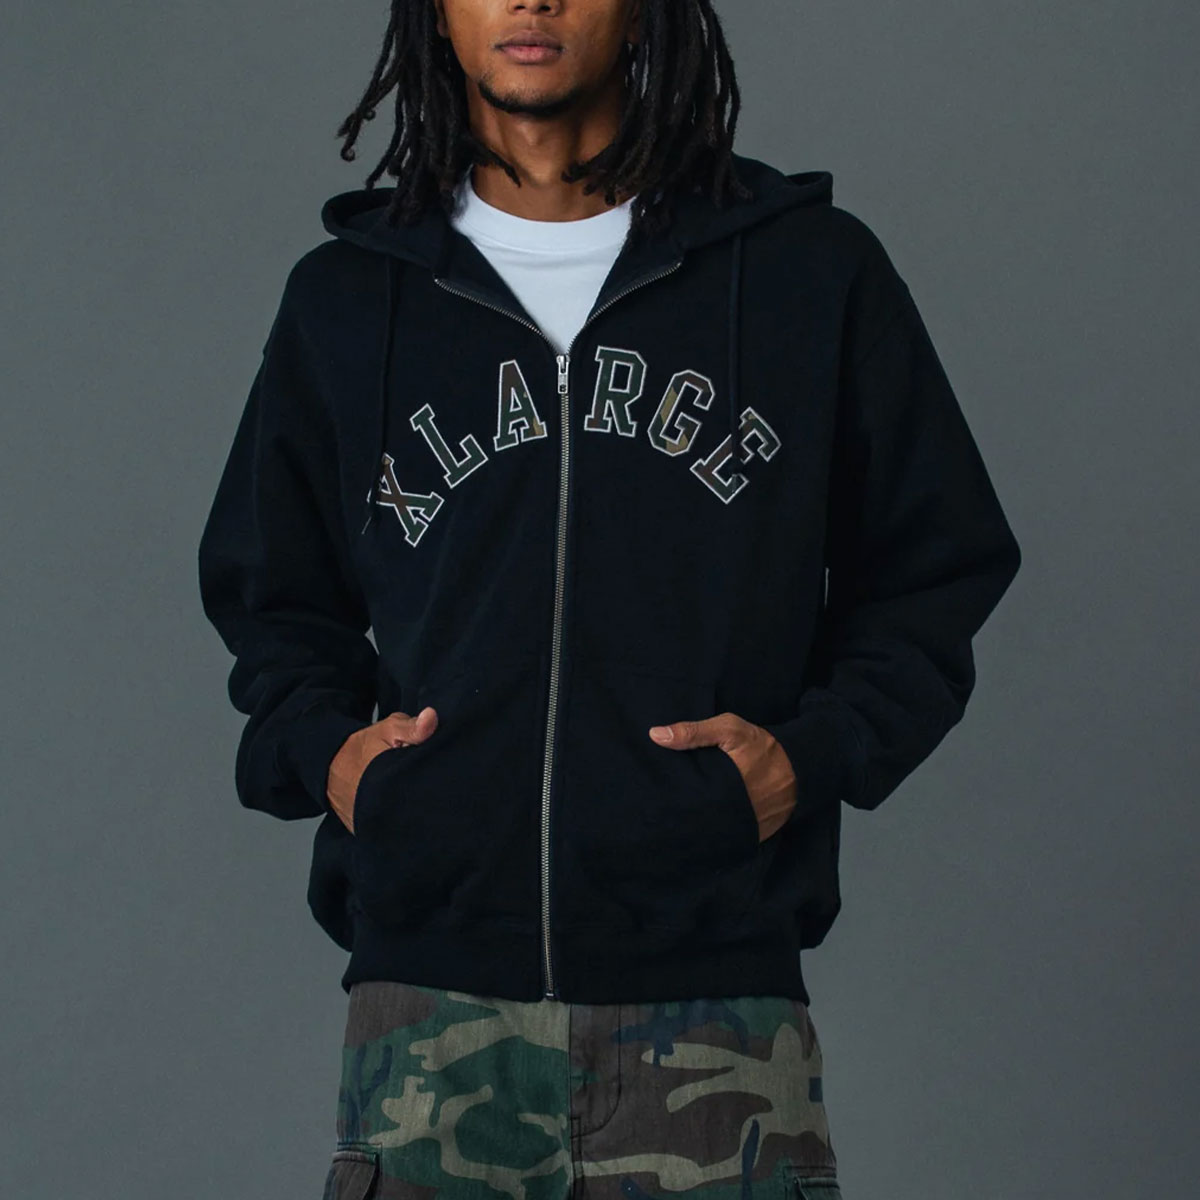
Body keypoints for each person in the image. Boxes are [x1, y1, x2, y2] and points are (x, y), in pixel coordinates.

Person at [196, 1, 1022, 1196]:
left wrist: (808, 757)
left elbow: (935, 567)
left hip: (716, 1018)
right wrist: (334, 758)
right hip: (428, 1016)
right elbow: (270, 597)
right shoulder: (348, 300)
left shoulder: (808, 273)